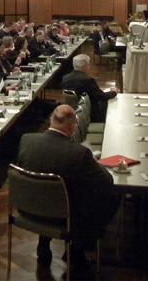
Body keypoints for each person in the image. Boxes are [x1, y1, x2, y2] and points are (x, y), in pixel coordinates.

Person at [17, 105, 119, 274]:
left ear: (51, 121)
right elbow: (107, 182)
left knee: (50, 188)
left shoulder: (26, 140)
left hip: (27, 209)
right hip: (63, 216)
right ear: (72, 127)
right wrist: (96, 163)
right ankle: (78, 247)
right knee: (112, 196)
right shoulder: (79, 153)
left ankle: (44, 242)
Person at [62, 54, 117, 123]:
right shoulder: (88, 80)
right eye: (89, 64)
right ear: (85, 66)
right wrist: (114, 92)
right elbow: (101, 96)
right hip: (91, 112)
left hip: (73, 109)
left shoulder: (65, 78)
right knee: (110, 102)